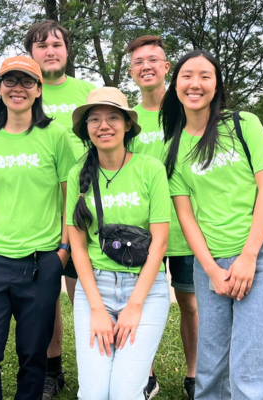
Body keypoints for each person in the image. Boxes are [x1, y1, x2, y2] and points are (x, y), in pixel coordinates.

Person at [160, 50, 263, 399]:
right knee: (211, 365)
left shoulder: (243, 124)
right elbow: (185, 215)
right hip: (210, 263)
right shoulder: (173, 147)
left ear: (216, 85)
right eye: (186, 76)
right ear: (175, 84)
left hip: (261, 257)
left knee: (253, 365)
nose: (195, 83)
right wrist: (212, 269)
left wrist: (248, 257)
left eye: (205, 76)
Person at [0, 55, 76, 400]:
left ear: (39, 89)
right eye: (10, 81)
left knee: (33, 356)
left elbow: (69, 199)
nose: (18, 88)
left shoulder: (55, 135)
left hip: (40, 261)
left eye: (27, 81)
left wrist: (61, 252)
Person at [67, 87, 171, 399]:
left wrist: (135, 305)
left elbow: (161, 242)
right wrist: (96, 308)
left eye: (113, 117)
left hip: (145, 291)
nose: (104, 125)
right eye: (94, 119)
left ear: (127, 125)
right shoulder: (77, 175)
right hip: (94, 292)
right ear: (87, 128)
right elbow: (78, 246)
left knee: (124, 394)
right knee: (94, 395)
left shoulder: (149, 169)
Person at [24, 20, 96, 398]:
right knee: (47, 292)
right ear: (31, 53)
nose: (50, 51)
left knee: (82, 290)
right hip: (42, 209)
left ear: (67, 50)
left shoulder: (88, 92)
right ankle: (53, 369)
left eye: (57, 44)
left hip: (89, 204)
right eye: (41, 46)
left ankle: (93, 366)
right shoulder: (25, 93)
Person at [126, 35, 198, 400]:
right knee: (140, 301)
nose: (146, 66)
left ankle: (194, 374)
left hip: (188, 230)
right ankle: (146, 374)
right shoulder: (127, 120)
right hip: (142, 233)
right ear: (131, 71)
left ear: (167, 67)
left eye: (153, 60)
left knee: (190, 303)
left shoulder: (188, 111)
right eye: (139, 62)